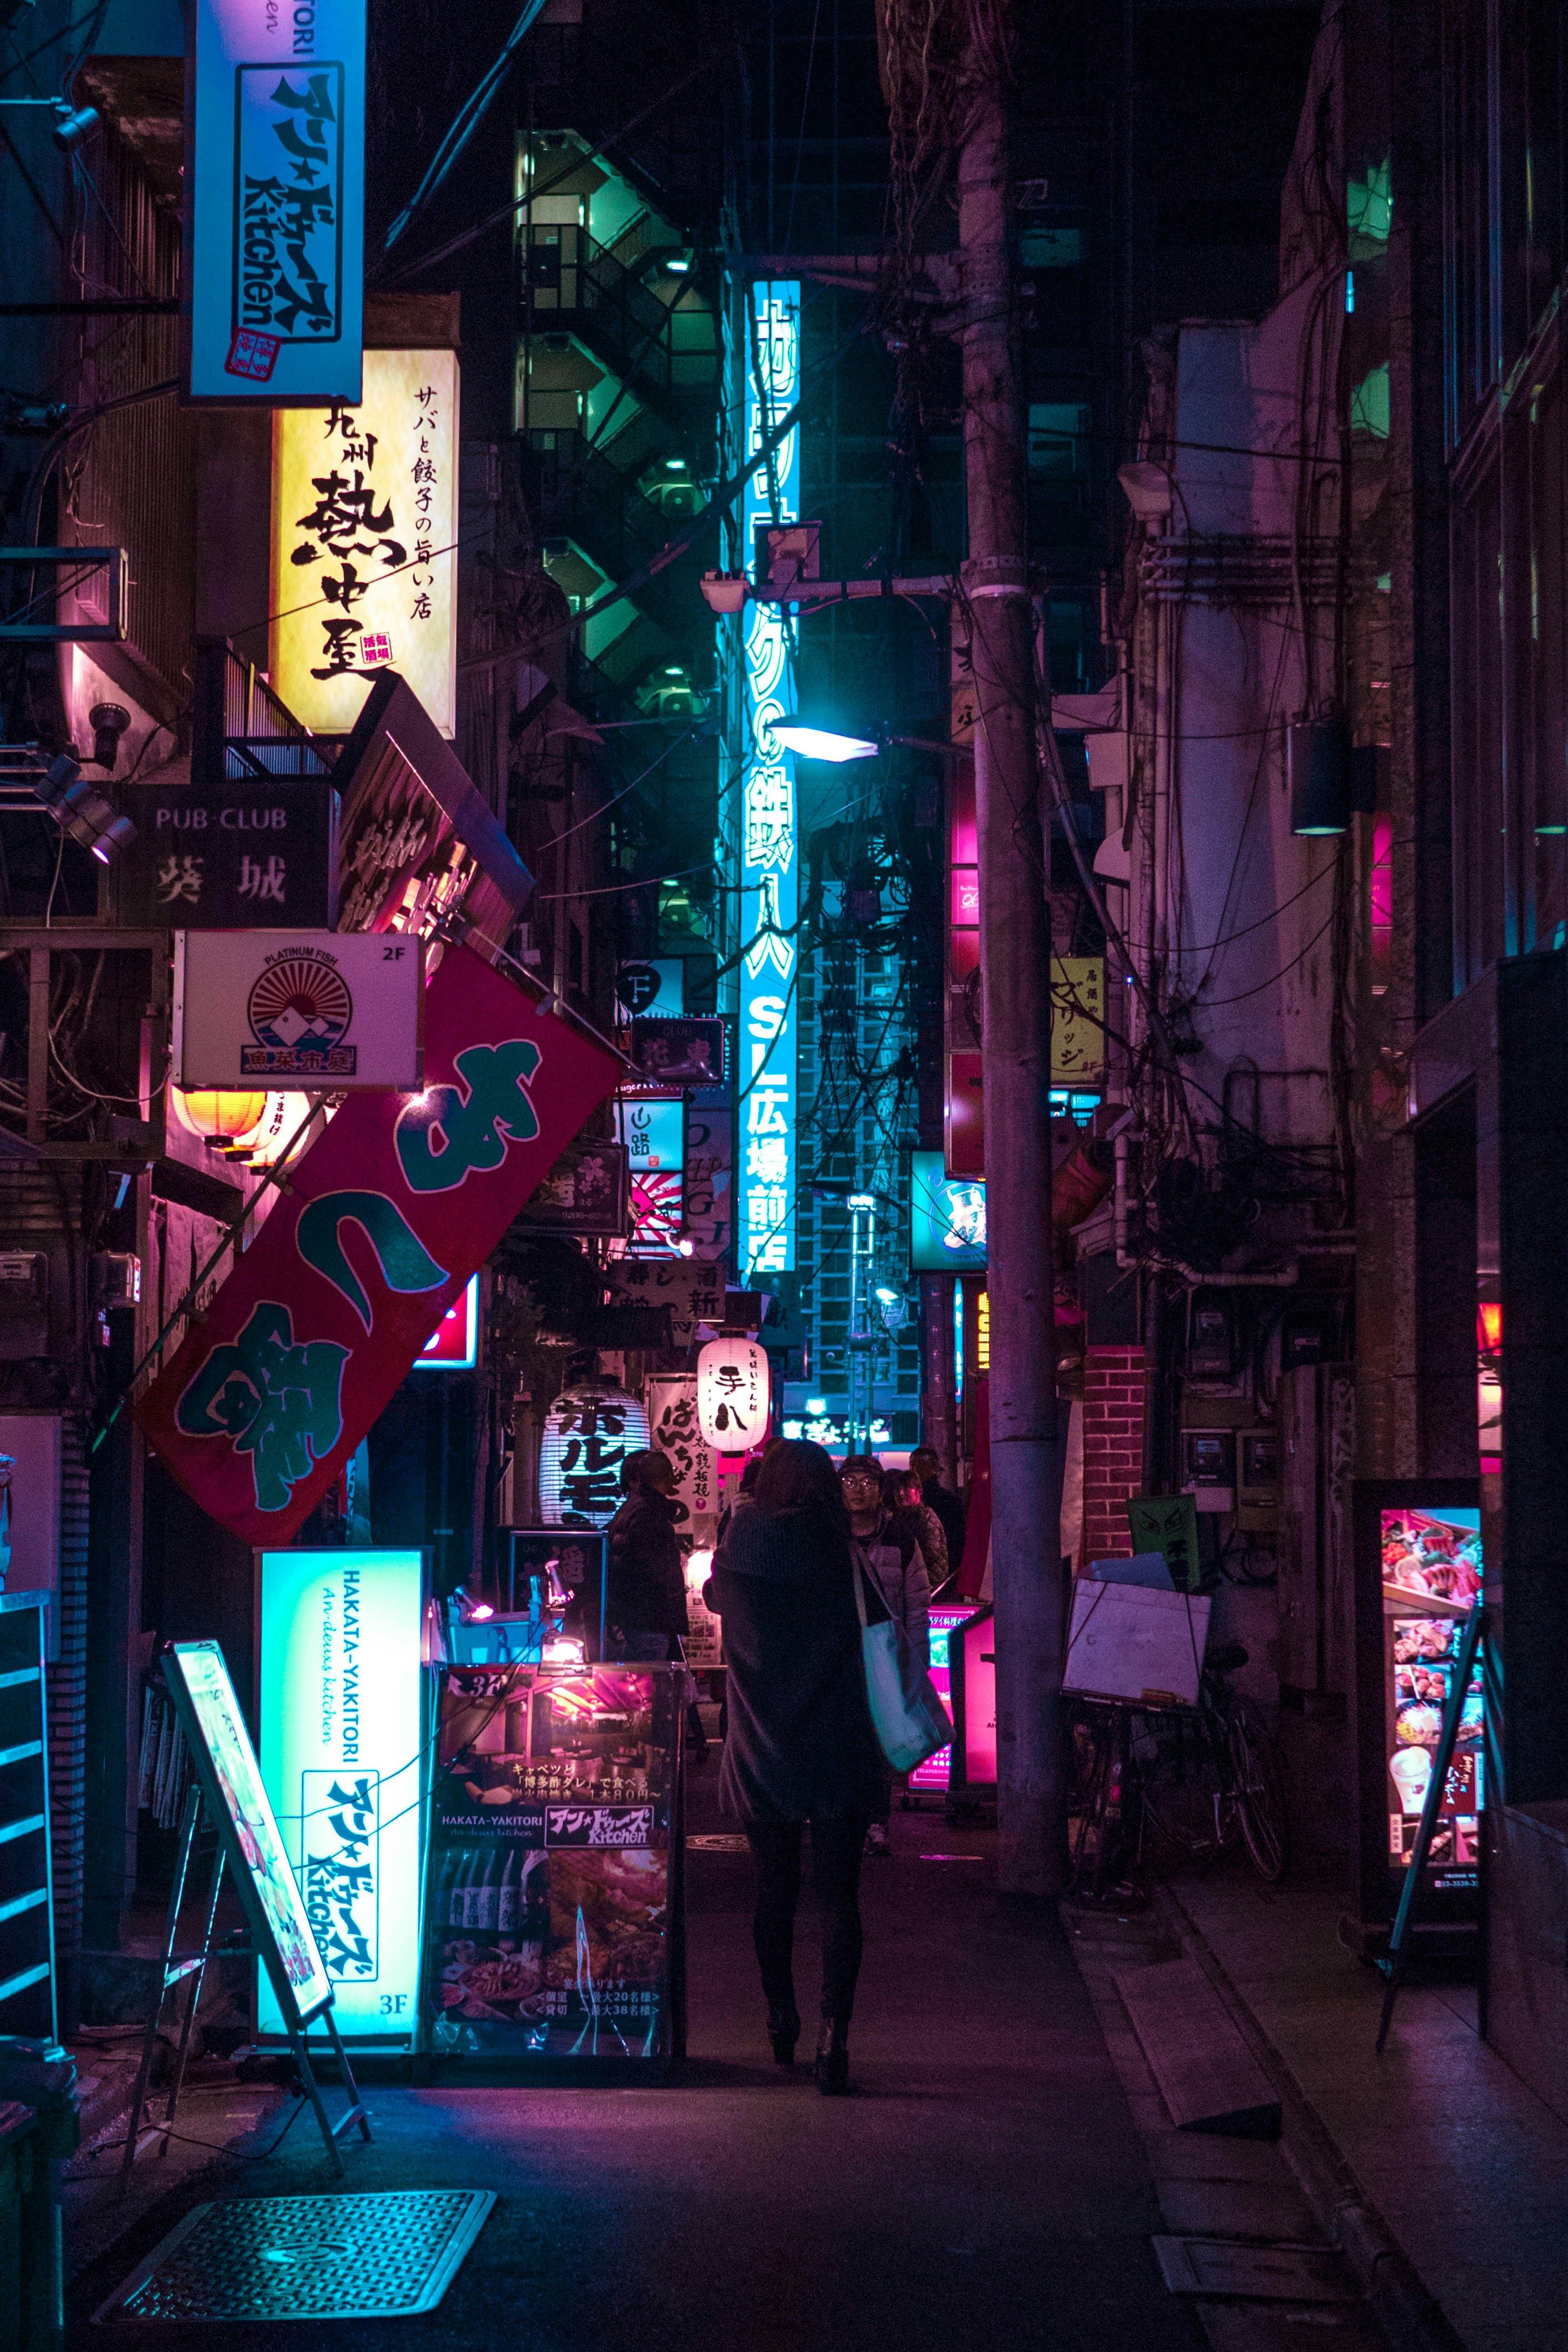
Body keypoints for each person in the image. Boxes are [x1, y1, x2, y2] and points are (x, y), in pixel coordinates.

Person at [706, 1439, 890, 2093]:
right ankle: (833, 2037)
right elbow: (883, 1628)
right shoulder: (840, 1552)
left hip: (762, 1744)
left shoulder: (740, 1543)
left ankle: (778, 2019)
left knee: (773, 1889)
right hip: (837, 1741)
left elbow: (714, 1596)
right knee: (839, 1897)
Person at [839, 1452, 930, 1857]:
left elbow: (918, 1604)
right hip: (839, 1656)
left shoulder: (901, 1540)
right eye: (850, 1482)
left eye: (868, 1482)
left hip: (886, 1655)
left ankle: (876, 1822)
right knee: (843, 1738)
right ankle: (843, 1818)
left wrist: (917, 1660)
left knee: (879, 1742)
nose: (859, 1490)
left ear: (881, 1490)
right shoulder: (830, 1537)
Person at [602, 1449, 689, 1661]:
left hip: (631, 1616)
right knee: (646, 1683)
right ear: (668, 1476)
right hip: (649, 1617)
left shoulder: (631, 1509)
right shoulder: (651, 1514)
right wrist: (673, 1594)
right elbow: (657, 1570)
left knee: (634, 1679)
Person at [883, 1464, 949, 1591]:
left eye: (908, 1489)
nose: (902, 1493)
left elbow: (931, 1552)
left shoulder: (926, 1516)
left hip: (929, 1585)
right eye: (899, 1489)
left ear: (919, 1491)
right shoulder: (904, 1516)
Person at [910, 1444, 967, 1579]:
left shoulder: (948, 1502)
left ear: (935, 1469)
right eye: (912, 1465)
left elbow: (957, 1541)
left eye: (921, 1465)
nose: (915, 1470)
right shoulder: (952, 1500)